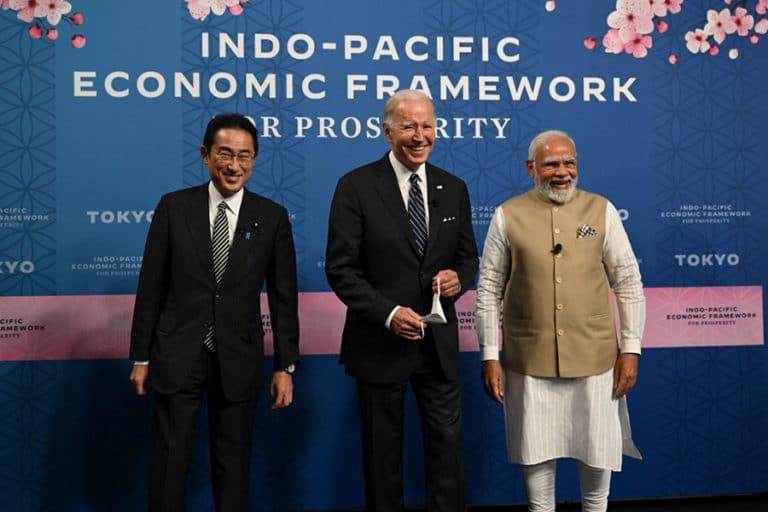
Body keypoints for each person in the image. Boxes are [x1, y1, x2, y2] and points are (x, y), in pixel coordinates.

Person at [128, 113, 300, 512]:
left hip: (238, 358)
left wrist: (285, 366)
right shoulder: (174, 208)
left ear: (255, 159)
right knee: (171, 465)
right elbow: (151, 287)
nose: (234, 166)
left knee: (233, 466)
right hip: (178, 354)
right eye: (224, 154)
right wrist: (142, 355)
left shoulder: (272, 217)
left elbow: (283, 297)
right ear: (205, 155)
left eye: (245, 156)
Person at [475, 130, 645, 512]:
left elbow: (629, 281)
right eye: (551, 163)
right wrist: (490, 355)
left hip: (596, 358)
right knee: (536, 457)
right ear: (531, 167)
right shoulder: (507, 214)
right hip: (528, 361)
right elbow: (487, 290)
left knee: (597, 453)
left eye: (569, 162)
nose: (562, 172)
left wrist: (630, 349)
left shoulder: (601, 209)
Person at [325, 89, 478, 512]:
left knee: (447, 453)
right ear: (387, 130)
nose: (419, 135)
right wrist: (388, 314)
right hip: (379, 345)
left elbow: (468, 258)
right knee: (382, 455)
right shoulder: (355, 186)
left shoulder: (454, 187)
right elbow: (341, 269)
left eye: (427, 125)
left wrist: (458, 279)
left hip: (439, 346)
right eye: (408, 126)